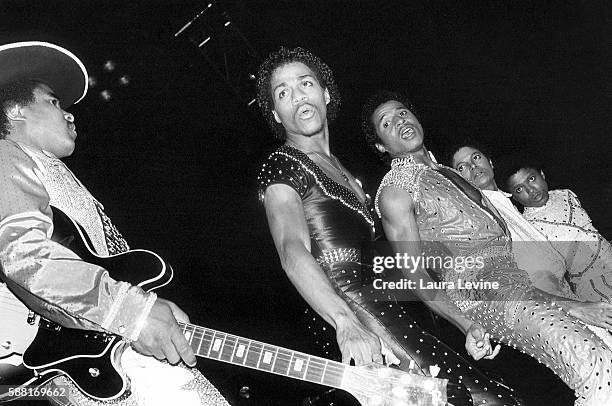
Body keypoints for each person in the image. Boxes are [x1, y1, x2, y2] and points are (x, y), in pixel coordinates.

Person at [256, 46, 523, 406]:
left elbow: (413, 273)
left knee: (486, 396)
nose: (298, 95)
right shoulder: (282, 165)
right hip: (354, 318)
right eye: (283, 92)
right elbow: (292, 250)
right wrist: (344, 322)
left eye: (305, 83)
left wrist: (466, 323)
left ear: (326, 93)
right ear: (275, 113)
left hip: (389, 311)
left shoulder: (346, 173)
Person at [0, 41, 229, 406]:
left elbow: (96, 262)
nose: (71, 115)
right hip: (99, 355)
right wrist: (131, 312)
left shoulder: (51, 171)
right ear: (15, 111)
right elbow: (24, 256)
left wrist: (149, 303)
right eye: (55, 103)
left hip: (113, 342)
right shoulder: (5, 156)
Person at [364, 90, 612, 405]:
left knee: (604, 348)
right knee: (594, 363)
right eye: (387, 123)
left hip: (518, 282)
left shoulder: (449, 173)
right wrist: (466, 324)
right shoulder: (396, 191)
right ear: (380, 145)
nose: (400, 122)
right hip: (482, 290)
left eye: (401, 113)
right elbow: (415, 276)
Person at [449, 143, 573, 298]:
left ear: (490, 162)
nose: (473, 166)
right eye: (462, 167)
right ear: (458, 180)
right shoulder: (477, 215)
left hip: (564, 288)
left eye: (476, 157)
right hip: (542, 299)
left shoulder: (512, 200)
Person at [504, 160, 612, 302]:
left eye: (531, 179)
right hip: (592, 284)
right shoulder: (527, 227)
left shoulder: (565, 194)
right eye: (519, 189)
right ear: (514, 197)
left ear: (542, 174)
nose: (531, 190)